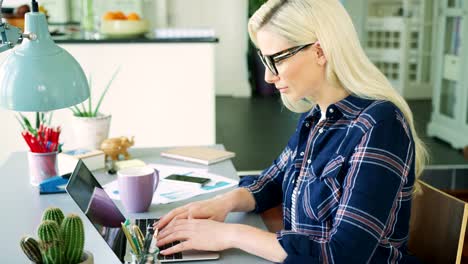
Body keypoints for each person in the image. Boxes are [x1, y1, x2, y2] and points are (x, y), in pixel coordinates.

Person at [153, 0, 428, 263]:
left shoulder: (379, 124)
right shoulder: (315, 118)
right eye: (265, 61)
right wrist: (222, 203)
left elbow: (342, 255)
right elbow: (273, 181)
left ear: (320, 51)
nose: (268, 77)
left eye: (277, 60)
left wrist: (229, 234)